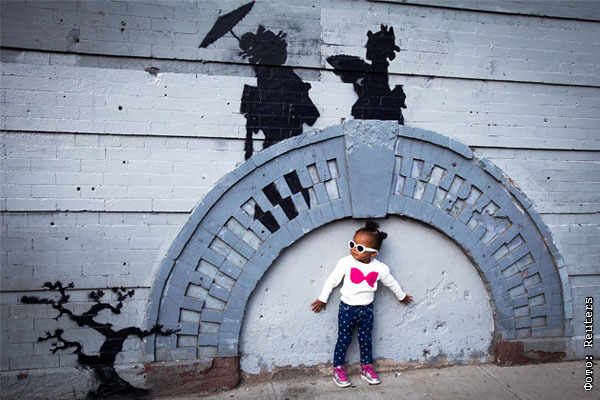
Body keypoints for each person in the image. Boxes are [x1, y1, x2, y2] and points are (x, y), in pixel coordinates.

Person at [311, 220, 413, 387]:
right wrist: (323, 298)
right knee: (343, 340)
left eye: (359, 248)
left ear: (373, 253)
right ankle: (338, 369)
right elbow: (332, 280)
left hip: (367, 311)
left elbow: (391, 283)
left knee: (366, 340)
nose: (353, 250)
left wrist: (401, 296)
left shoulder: (380, 268)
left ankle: (367, 368)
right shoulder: (346, 263)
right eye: (352, 244)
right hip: (347, 309)